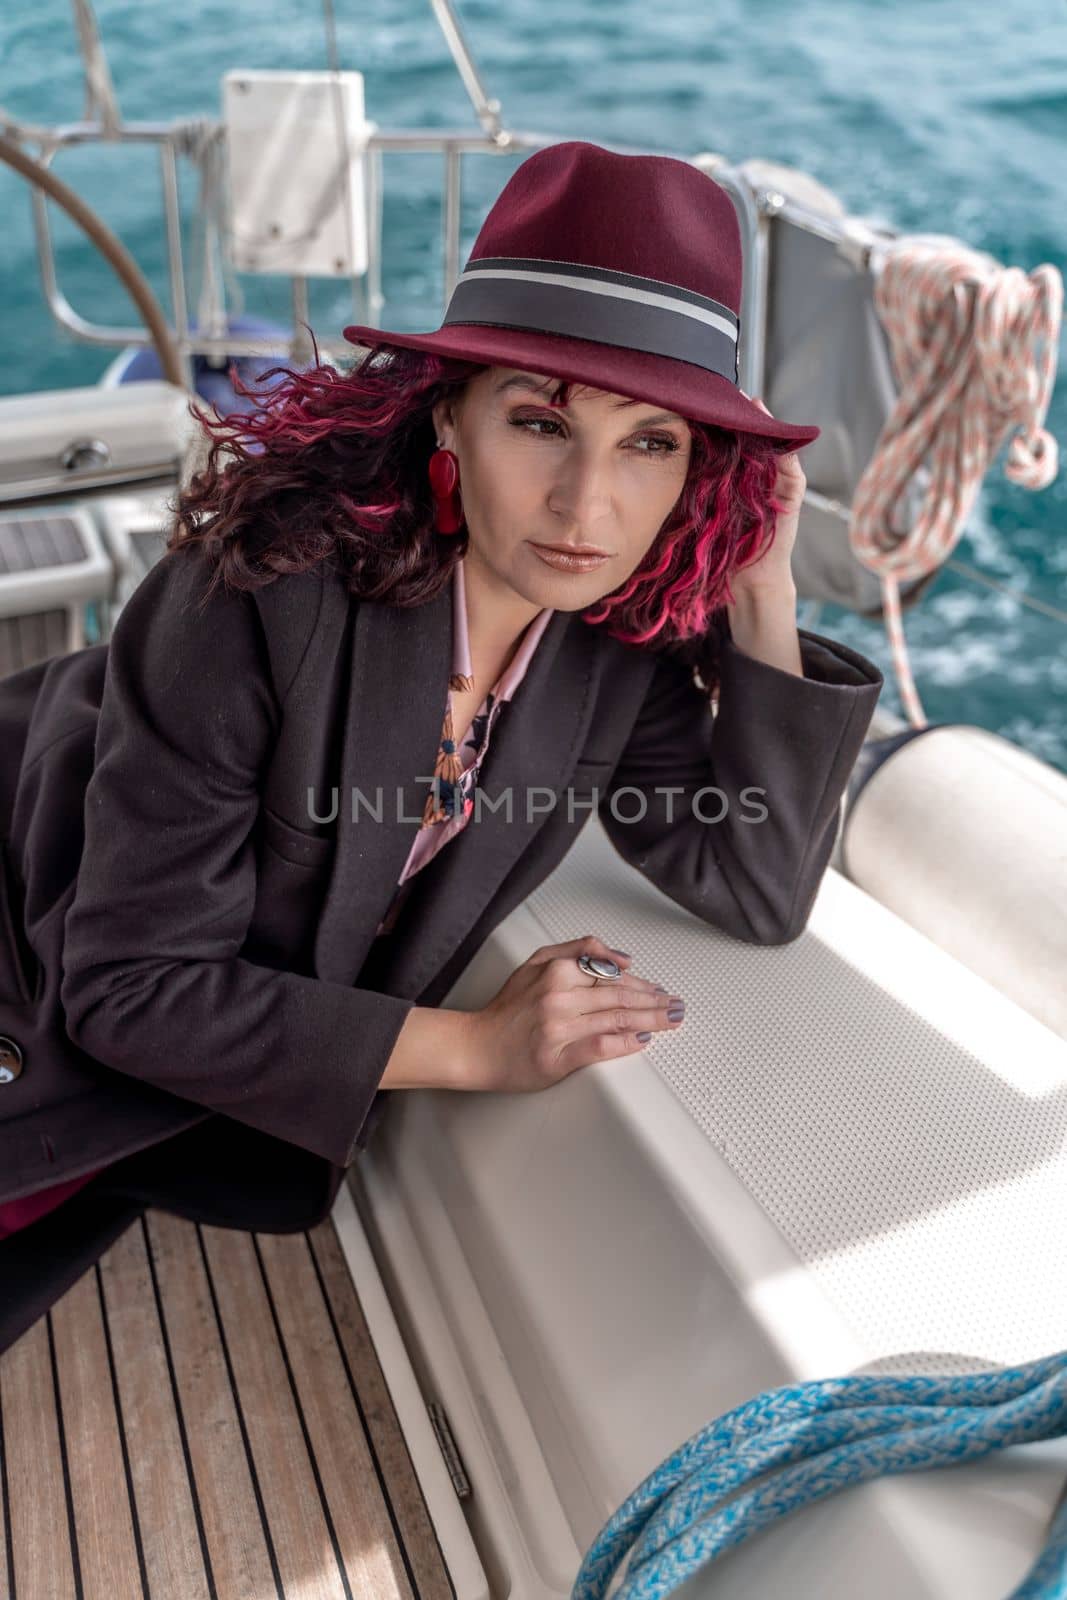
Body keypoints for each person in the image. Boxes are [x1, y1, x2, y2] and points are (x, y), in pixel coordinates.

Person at [0, 140, 884, 1353]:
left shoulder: (604, 647)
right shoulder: (259, 598)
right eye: (540, 423)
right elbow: (127, 988)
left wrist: (763, 591)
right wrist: (477, 1046)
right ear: (448, 419)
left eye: (650, 444)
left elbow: (756, 880)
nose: (587, 507)